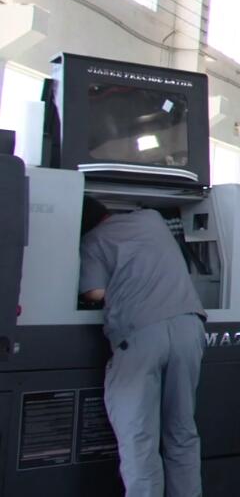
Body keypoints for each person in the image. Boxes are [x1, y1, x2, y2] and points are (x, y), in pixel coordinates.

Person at [79, 197, 207, 497]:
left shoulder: (92, 240)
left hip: (142, 335)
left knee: (139, 436)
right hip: (189, 327)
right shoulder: (152, 219)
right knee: (182, 431)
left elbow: (94, 292)